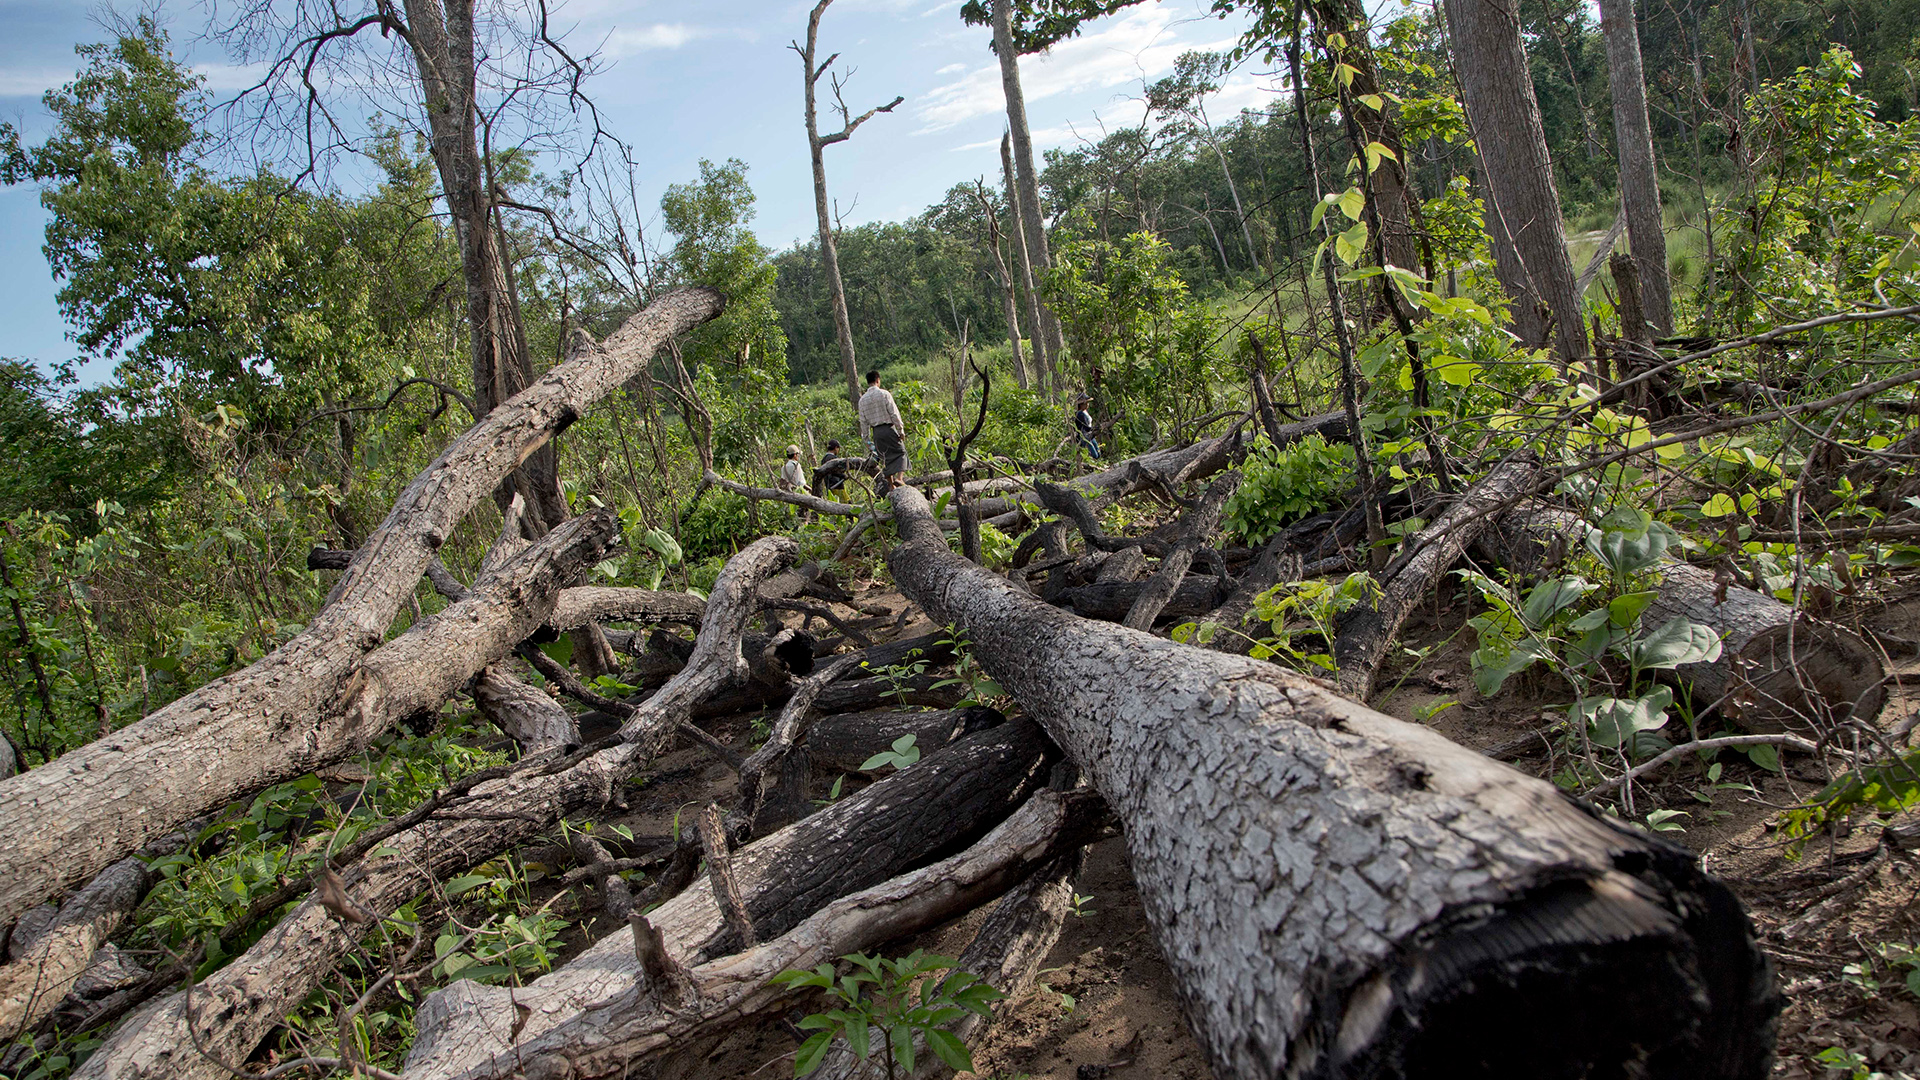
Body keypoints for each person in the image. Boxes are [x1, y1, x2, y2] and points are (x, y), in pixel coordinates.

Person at [859, 370, 908, 492]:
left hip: (876, 433)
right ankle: (900, 478)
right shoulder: (884, 394)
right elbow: (894, 413)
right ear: (878, 380)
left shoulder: (862, 400)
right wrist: (900, 430)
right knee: (901, 452)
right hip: (888, 429)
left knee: (885, 458)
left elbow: (863, 422)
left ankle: (891, 485)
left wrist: (867, 440)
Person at [1073, 394, 1101, 459]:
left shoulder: (1085, 412)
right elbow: (1085, 427)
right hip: (1084, 436)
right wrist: (1094, 429)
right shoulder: (1080, 414)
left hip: (1089, 434)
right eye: (1086, 403)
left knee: (1098, 453)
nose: (1088, 404)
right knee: (1094, 455)